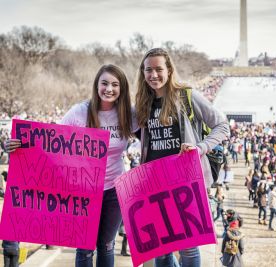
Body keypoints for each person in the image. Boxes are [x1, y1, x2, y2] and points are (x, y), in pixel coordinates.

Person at [6, 64, 138, 267]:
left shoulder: (129, 114)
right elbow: (50, 142)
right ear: (96, 85)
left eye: (114, 84)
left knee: (107, 245)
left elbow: (154, 128)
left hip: (114, 189)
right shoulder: (79, 112)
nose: (109, 89)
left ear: (122, 89)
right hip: (82, 191)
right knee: (85, 248)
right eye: (104, 83)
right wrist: (19, 145)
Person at [134, 47, 229, 267]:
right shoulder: (142, 103)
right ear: (143, 72)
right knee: (161, 250)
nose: (153, 75)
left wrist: (200, 148)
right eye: (148, 70)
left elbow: (222, 125)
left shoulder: (186, 96)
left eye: (159, 69)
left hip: (184, 181)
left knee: (188, 247)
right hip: (154, 183)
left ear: (169, 70)